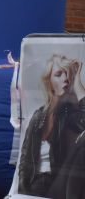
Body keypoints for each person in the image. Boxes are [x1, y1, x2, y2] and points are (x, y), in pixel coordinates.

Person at [19, 54, 85, 198]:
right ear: (49, 82)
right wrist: (23, 191)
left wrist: (77, 82)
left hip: (59, 185)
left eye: (67, 74)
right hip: (34, 186)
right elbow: (24, 160)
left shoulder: (69, 112)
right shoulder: (38, 116)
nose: (65, 78)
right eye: (59, 74)